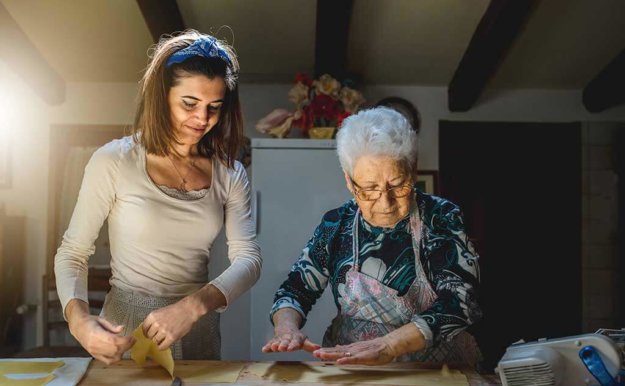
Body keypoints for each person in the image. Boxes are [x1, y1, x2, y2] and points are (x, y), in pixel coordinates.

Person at [55, 30, 261, 364]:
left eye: (215, 107)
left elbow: (249, 259)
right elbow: (73, 253)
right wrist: (79, 323)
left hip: (197, 325)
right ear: (162, 96)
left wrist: (193, 306)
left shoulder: (230, 173)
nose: (202, 119)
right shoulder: (115, 161)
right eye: (189, 104)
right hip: (126, 326)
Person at [262, 107, 481, 366]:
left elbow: (460, 301)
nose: (385, 202)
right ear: (349, 181)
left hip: (435, 370)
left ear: (414, 170)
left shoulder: (441, 217)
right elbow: (296, 289)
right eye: (369, 188)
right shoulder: (336, 224)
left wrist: (388, 346)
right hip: (353, 368)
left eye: (398, 185)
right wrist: (287, 328)